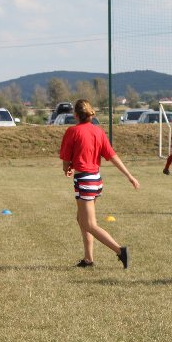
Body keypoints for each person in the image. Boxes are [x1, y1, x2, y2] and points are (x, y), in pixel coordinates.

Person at [59, 99, 140, 268]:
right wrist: (129, 176)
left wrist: (67, 168)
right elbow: (112, 156)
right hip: (96, 180)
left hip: (85, 181)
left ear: (75, 115)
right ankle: (88, 259)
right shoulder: (98, 131)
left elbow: (66, 159)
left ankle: (120, 250)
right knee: (81, 219)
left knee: (89, 224)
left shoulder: (72, 131)